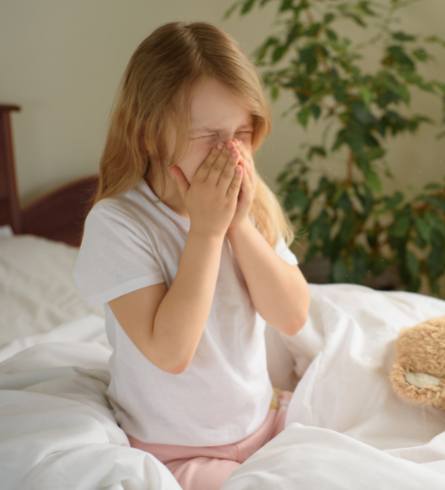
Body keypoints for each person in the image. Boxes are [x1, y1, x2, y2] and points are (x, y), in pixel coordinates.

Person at [73, 21, 310, 489]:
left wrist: (237, 224)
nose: (231, 152)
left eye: (242, 132)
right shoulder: (118, 223)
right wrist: (205, 231)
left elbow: (293, 315)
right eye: (209, 135)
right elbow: (170, 351)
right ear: (148, 135)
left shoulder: (249, 201)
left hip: (264, 422)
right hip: (177, 450)